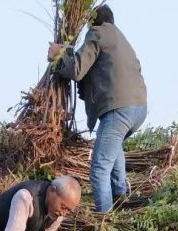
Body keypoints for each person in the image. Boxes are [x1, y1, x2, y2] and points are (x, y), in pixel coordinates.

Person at [49, 5, 147, 212]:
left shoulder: (98, 33)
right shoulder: (120, 39)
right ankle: (121, 199)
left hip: (118, 110)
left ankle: (105, 219)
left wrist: (59, 56)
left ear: (92, 21)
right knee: (113, 148)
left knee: (99, 168)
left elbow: (77, 69)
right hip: (137, 109)